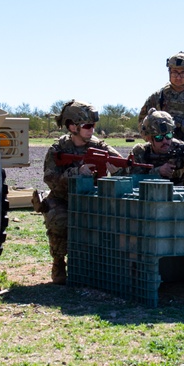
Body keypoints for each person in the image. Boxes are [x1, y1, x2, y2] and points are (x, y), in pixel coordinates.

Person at [39, 100, 123, 284]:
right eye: (87, 126)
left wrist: (119, 171)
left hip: (91, 200)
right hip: (63, 199)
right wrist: (76, 173)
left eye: (93, 125)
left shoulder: (100, 147)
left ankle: (96, 266)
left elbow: (123, 163)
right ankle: (59, 262)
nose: (91, 129)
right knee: (58, 219)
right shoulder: (58, 149)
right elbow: (50, 179)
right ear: (72, 126)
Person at [123, 109, 184, 187]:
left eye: (168, 135)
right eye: (158, 138)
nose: (165, 141)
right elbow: (133, 181)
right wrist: (158, 172)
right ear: (149, 138)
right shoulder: (140, 152)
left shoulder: (181, 148)